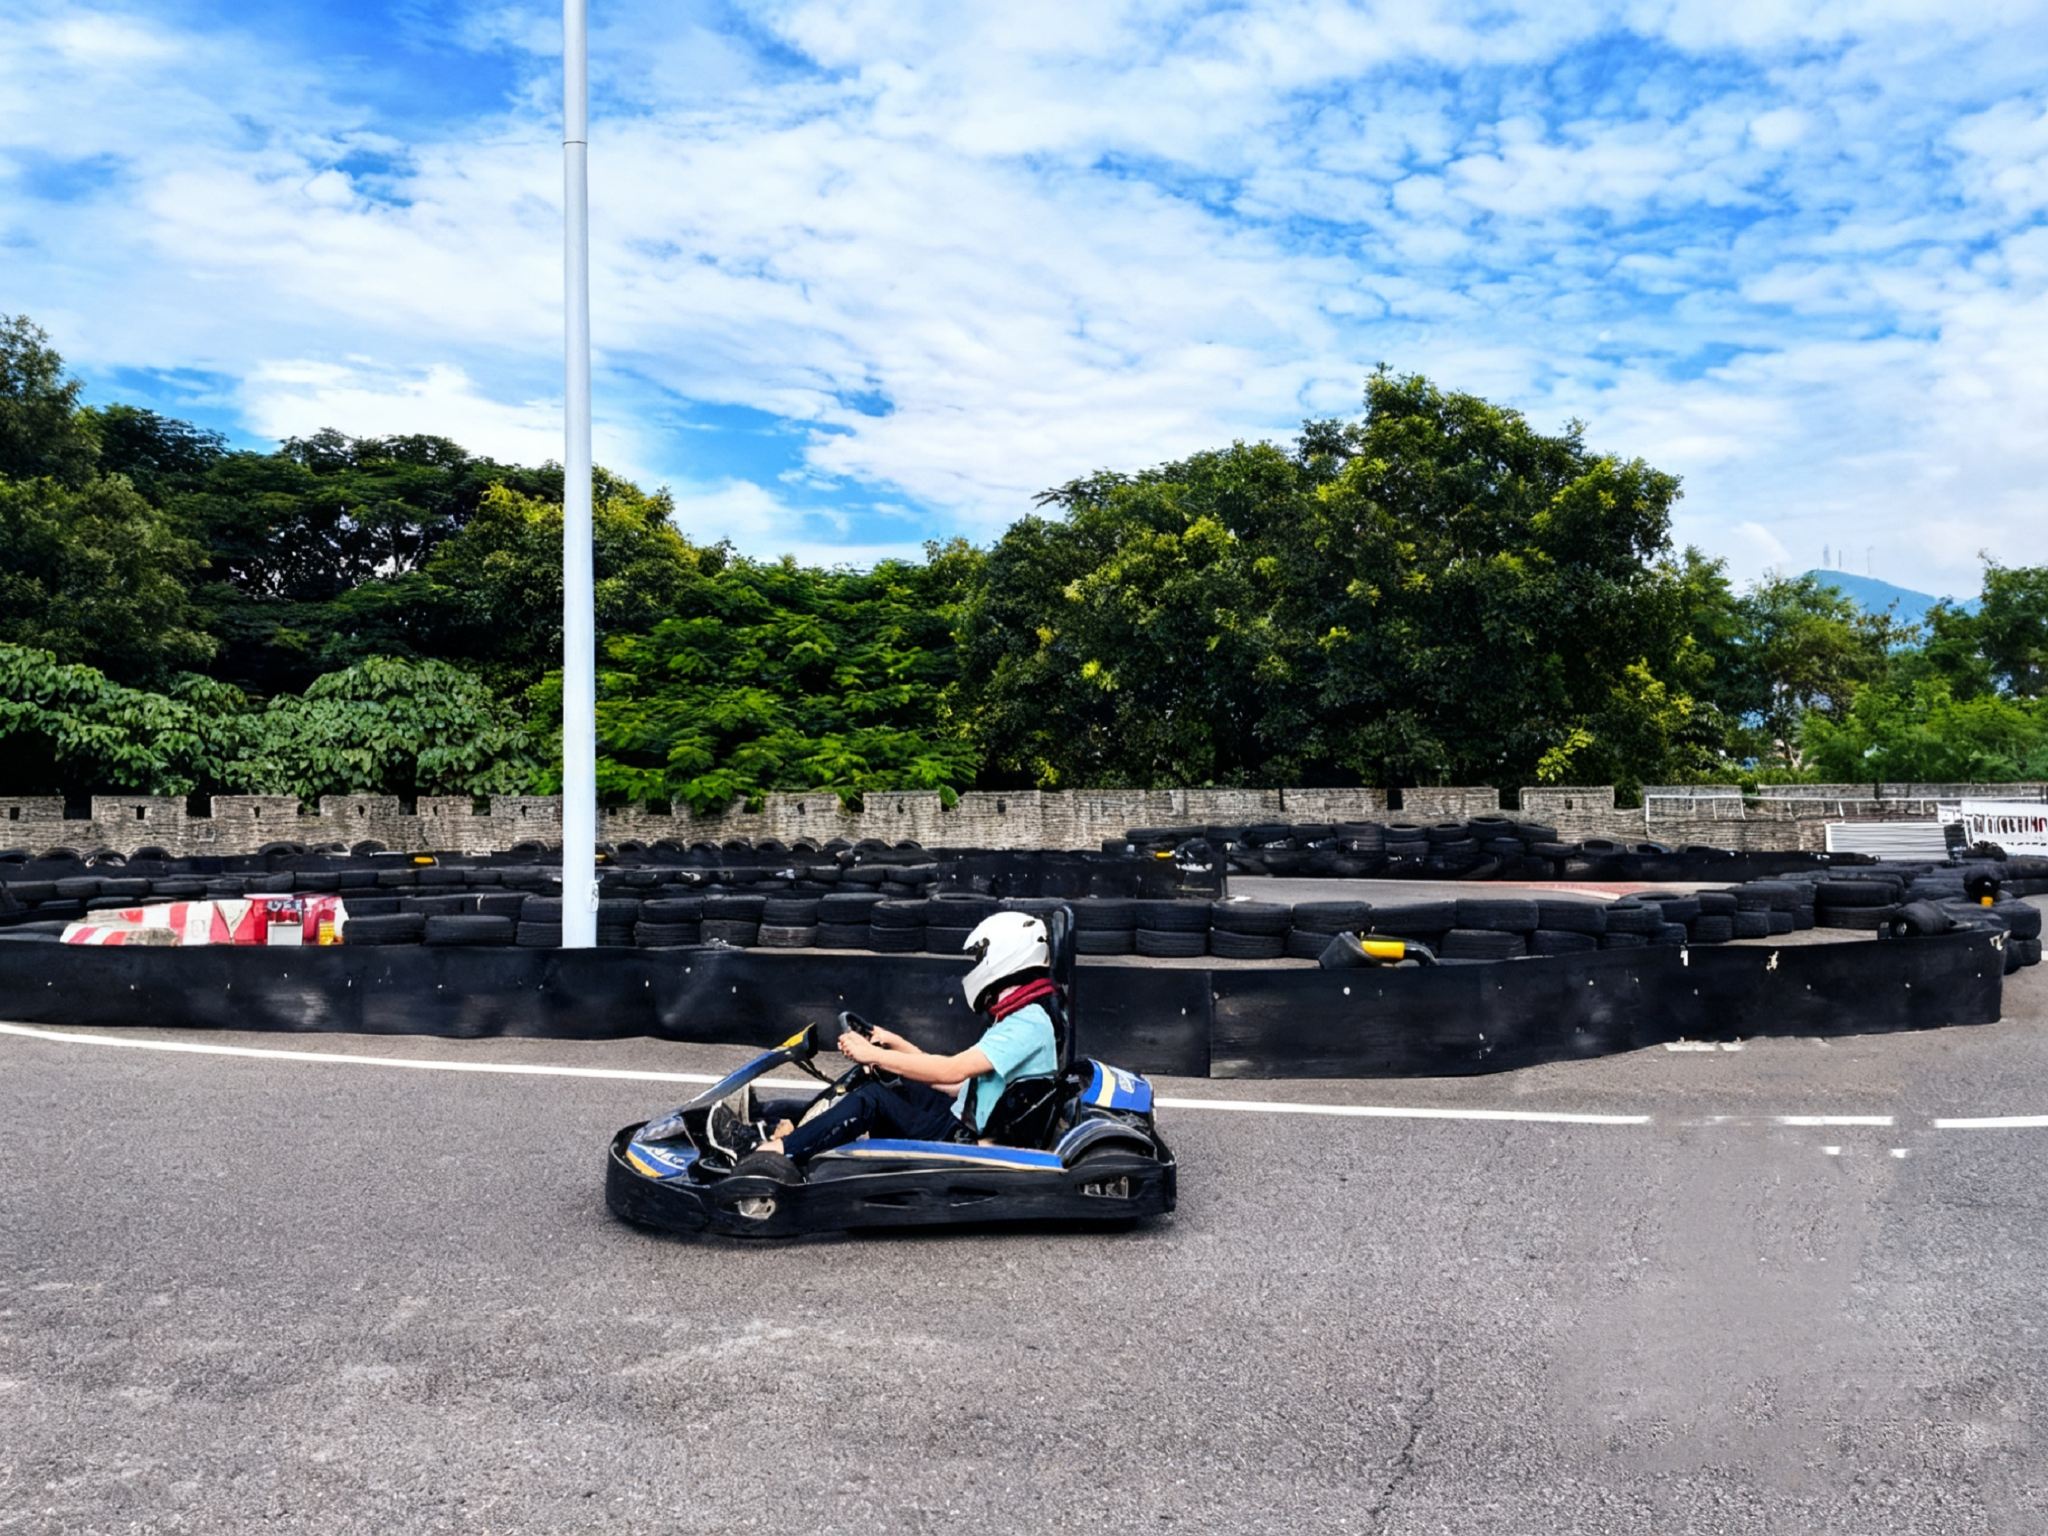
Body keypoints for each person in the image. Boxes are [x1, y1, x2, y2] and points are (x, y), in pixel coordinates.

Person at [708, 911, 1059, 1178]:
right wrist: (894, 1043)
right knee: (872, 1079)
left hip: (965, 1138)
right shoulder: (1021, 1015)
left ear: (1006, 957)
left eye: (981, 958)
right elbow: (958, 1084)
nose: (977, 966)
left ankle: (770, 1154)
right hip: (965, 1115)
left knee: (871, 1100)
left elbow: (952, 1069)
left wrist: (875, 1053)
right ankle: (776, 1123)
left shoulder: (1027, 1023)